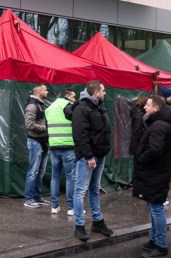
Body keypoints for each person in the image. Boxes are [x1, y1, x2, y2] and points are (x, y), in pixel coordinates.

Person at [133, 95, 171, 257]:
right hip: (157, 172)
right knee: (153, 207)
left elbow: (154, 149)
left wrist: (140, 158)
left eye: (148, 105)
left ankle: (161, 246)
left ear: (157, 108)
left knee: (156, 208)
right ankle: (154, 239)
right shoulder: (161, 123)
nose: (145, 107)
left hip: (155, 172)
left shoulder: (159, 125)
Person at [72, 80, 113, 241]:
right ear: (95, 93)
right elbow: (80, 135)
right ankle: (79, 226)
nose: (105, 93)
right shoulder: (82, 109)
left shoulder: (98, 107)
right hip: (88, 156)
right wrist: (89, 156)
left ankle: (97, 221)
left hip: (99, 154)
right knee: (81, 190)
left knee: (94, 189)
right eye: (103, 90)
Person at [45, 88, 77, 215]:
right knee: (70, 178)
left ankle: (54, 206)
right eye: (74, 97)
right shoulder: (68, 106)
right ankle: (71, 208)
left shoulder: (49, 108)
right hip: (68, 145)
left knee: (55, 177)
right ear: (68, 96)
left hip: (53, 146)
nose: (75, 99)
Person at [23, 84, 51, 208]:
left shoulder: (40, 104)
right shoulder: (32, 106)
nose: (47, 91)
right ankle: (28, 199)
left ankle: (38, 197)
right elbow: (29, 125)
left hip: (44, 142)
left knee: (40, 172)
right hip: (35, 142)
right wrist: (47, 129)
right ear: (39, 91)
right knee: (33, 172)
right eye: (45, 90)